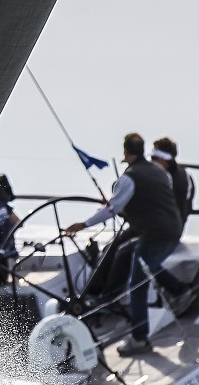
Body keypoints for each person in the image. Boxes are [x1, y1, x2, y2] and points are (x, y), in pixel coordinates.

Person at [63, 132, 183, 354]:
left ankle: (139, 339)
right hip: (173, 231)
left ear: (126, 152)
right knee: (145, 261)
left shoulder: (129, 178)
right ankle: (179, 291)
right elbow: (153, 200)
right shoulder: (159, 171)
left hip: (154, 235)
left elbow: (112, 209)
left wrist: (83, 224)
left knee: (136, 285)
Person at [151, 137, 195, 225]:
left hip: (157, 229)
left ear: (162, 160)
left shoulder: (161, 178)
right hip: (177, 228)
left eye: (153, 158)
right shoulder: (187, 176)